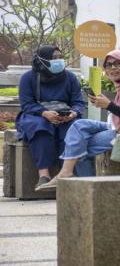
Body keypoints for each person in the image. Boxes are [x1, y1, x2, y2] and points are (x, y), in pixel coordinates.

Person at [36, 50, 120, 190]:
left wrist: (109, 106)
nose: (113, 68)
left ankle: (88, 189)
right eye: (108, 65)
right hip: (119, 126)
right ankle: (68, 174)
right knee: (79, 125)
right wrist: (109, 106)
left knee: (80, 148)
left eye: (118, 63)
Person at [16, 45, 86, 191]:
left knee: (73, 129)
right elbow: (26, 103)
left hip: (64, 115)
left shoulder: (70, 77)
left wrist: (73, 113)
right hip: (37, 114)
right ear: (43, 60)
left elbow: (78, 102)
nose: (58, 61)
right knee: (40, 127)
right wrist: (45, 113)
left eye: (60, 57)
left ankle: (66, 173)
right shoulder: (28, 78)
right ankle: (44, 176)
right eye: (54, 58)